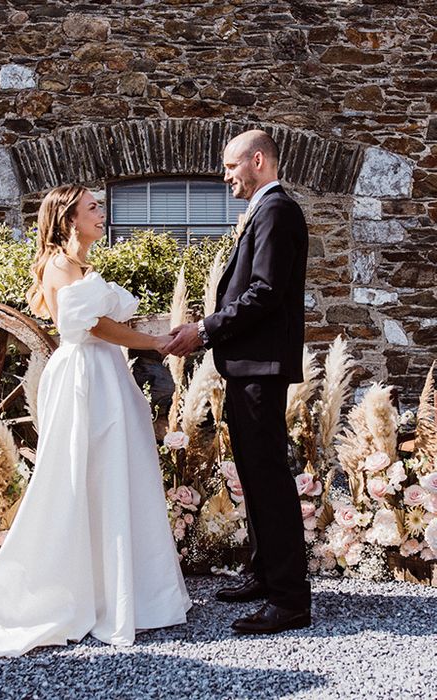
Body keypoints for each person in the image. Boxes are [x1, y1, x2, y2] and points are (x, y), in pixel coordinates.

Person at [0, 184, 191, 658]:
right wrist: (154, 342)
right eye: (92, 207)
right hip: (83, 377)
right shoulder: (58, 264)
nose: (102, 212)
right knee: (83, 476)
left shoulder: (82, 266)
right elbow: (94, 327)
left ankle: (124, 593)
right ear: (69, 219)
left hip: (105, 374)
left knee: (115, 474)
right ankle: (78, 595)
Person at [164, 129, 311, 634]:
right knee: (253, 474)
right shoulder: (265, 212)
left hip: (260, 369)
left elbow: (265, 293)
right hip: (248, 367)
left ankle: (290, 599)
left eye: (231, 167)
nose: (226, 176)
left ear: (257, 160)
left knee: (269, 479)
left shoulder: (277, 211)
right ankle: (266, 575)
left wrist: (204, 330)